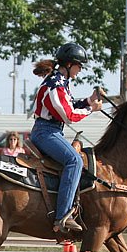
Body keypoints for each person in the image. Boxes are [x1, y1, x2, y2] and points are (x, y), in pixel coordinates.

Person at [30, 42, 103, 233]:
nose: (80, 71)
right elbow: (69, 115)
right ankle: (62, 216)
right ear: (70, 64)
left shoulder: (60, 82)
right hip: (46, 132)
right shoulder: (55, 84)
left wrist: (89, 99)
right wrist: (91, 109)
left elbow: (69, 104)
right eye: (79, 66)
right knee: (74, 161)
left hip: (51, 130)